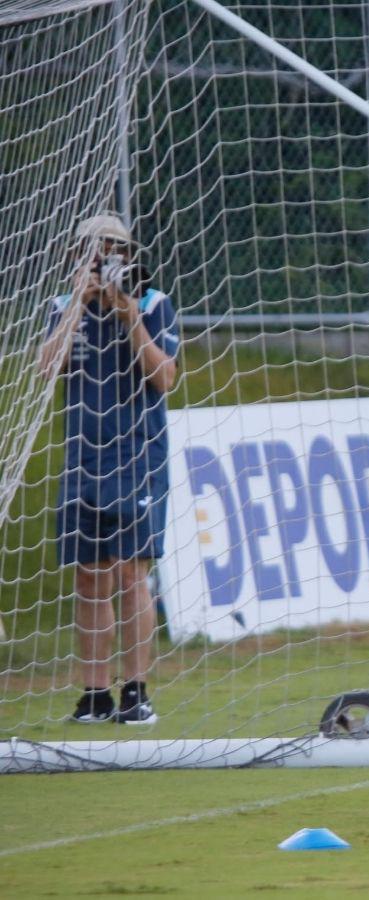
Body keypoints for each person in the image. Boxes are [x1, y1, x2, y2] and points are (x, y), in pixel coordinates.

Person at [38, 213, 180, 724]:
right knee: (89, 576)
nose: (101, 258)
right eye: (92, 250)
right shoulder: (61, 307)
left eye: (111, 249)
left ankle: (136, 691)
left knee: (130, 573)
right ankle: (94, 694)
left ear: (128, 254)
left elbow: (165, 377)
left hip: (137, 457)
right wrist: (79, 305)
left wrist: (129, 318)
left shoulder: (153, 303)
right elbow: (45, 369)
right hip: (83, 459)